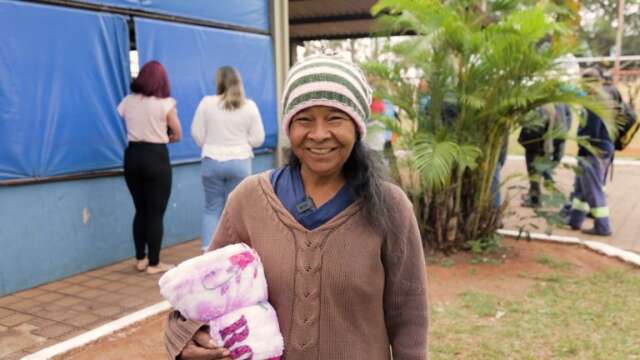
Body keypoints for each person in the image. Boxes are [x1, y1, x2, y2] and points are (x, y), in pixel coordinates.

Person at [165, 55, 428, 360]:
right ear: (289, 127)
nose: (318, 134)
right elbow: (198, 290)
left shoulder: (391, 207)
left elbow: (409, 317)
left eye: (335, 118)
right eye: (304, 119)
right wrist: (185, 336)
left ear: (357, 127)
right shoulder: (249, 200)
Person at [117, 60, 182, 275]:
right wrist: (165, 136)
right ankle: (154, 264)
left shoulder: (128, 101)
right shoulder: (165, 104)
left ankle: (140, 258)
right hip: (156, 157)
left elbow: (124, 116)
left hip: (133, 156)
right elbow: (177, 133)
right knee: (155, 213)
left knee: (140, 210)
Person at [191, 66, 265, 250]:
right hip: (240, 162)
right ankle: (234, 252)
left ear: (219, 82)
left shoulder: (207, 103)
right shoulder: (249, 105)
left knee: (212, 208)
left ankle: (209, 251)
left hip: (211, 160)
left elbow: (196, 134)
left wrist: (210, 143)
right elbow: (258, 139)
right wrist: (241, 143)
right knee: (237, 209)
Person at [567, 68, 615, 236]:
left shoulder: (594, 101)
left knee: (593, 190)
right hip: (598, 150)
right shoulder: (601, 98)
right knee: (581, 188)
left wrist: (579, 137)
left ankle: (603, 227)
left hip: (594, 151)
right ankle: (575, 220)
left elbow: (591, 131)